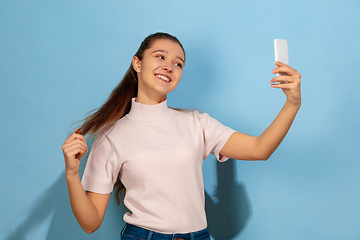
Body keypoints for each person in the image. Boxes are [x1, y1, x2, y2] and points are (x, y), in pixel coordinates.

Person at [62, 32, 301, 240]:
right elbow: (90, 223)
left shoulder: (196, 123)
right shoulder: (111, 136)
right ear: (137, 63)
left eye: (179, 63)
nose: (169, 66)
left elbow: (260, 149)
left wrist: (292, 103)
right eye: (160, 56)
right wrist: (72, 175)